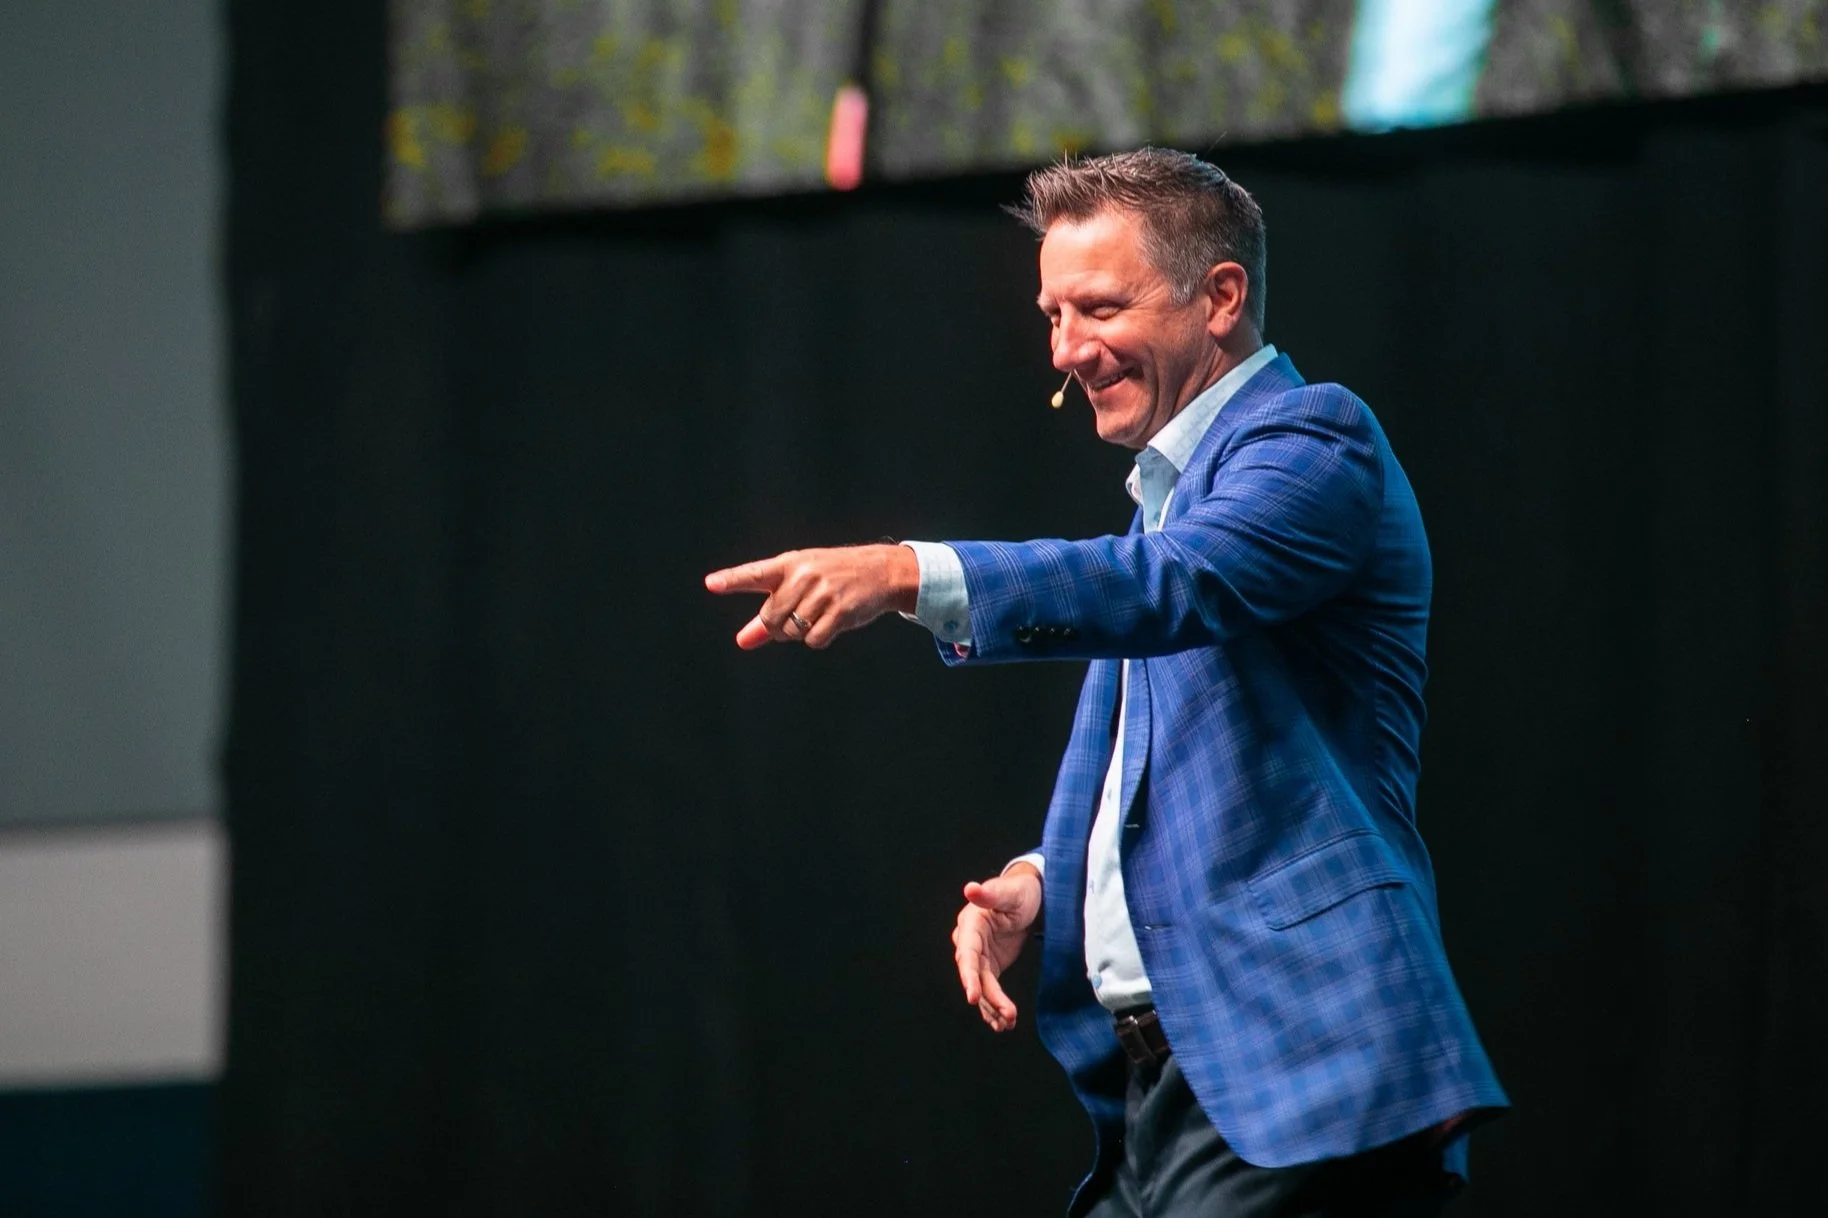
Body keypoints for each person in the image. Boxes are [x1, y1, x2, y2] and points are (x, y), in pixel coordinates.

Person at [705, 148, 1507, 1217]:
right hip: (1170, 1093)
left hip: (1301, 1056)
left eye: (1097, 308)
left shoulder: (1314, 439)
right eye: (1050, 314)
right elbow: (1182, 751)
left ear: (1219, 297)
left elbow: (1178, 586)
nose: (1065, 350)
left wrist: (909, 570)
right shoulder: (1165, 508)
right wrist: (1049, 876)